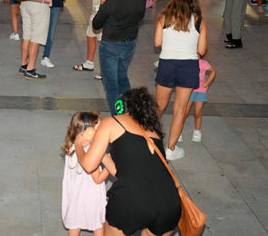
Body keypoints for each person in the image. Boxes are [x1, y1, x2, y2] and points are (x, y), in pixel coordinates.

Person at [75, 87, 181, 236]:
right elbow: (122, 173)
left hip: (131, 201)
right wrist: (102, 154)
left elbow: (88, 165)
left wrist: (78, 145)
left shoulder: (112, 122)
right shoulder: (154, 132)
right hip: (169, 204)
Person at [154, 0, 208, 160]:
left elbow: (157, 43)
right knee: (180, 109)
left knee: (159, 106)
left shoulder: (164, 17)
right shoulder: (199, 21)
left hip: (167, 64)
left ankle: (148, 138)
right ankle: (171, 148)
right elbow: (201, 51)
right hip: (188, 66)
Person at [91, 0, 147, 112]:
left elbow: (96, 24)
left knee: (111, 84)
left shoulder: (111, 2)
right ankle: (129, 109)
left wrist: (103, 3)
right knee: (122, 76)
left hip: (111, 45)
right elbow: (140, 16)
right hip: (129, 43)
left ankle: (118, 114)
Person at [61, 112, 110, 236]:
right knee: (98, 225)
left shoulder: (72, 147)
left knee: (74, 225)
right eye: (98, 128)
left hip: (75, 195)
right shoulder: (90, 152)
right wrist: (109, 165)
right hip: (91, 197)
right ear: (86, 131)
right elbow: (98, 178)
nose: (101, 132)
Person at [73, 0, 112, 79]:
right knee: (90, 35)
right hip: (96, 11)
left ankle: (105, 70)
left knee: (103, 42)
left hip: (102, 12)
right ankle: (89, 63)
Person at [183, 58, 216, 144]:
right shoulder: (187, 61)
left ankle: (197, 131)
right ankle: (178, 131)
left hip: (201, 90)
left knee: (197, 112)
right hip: (189, 89)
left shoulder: (203, 63)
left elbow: (213, 71)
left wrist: (207, 82)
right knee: (185, 112)